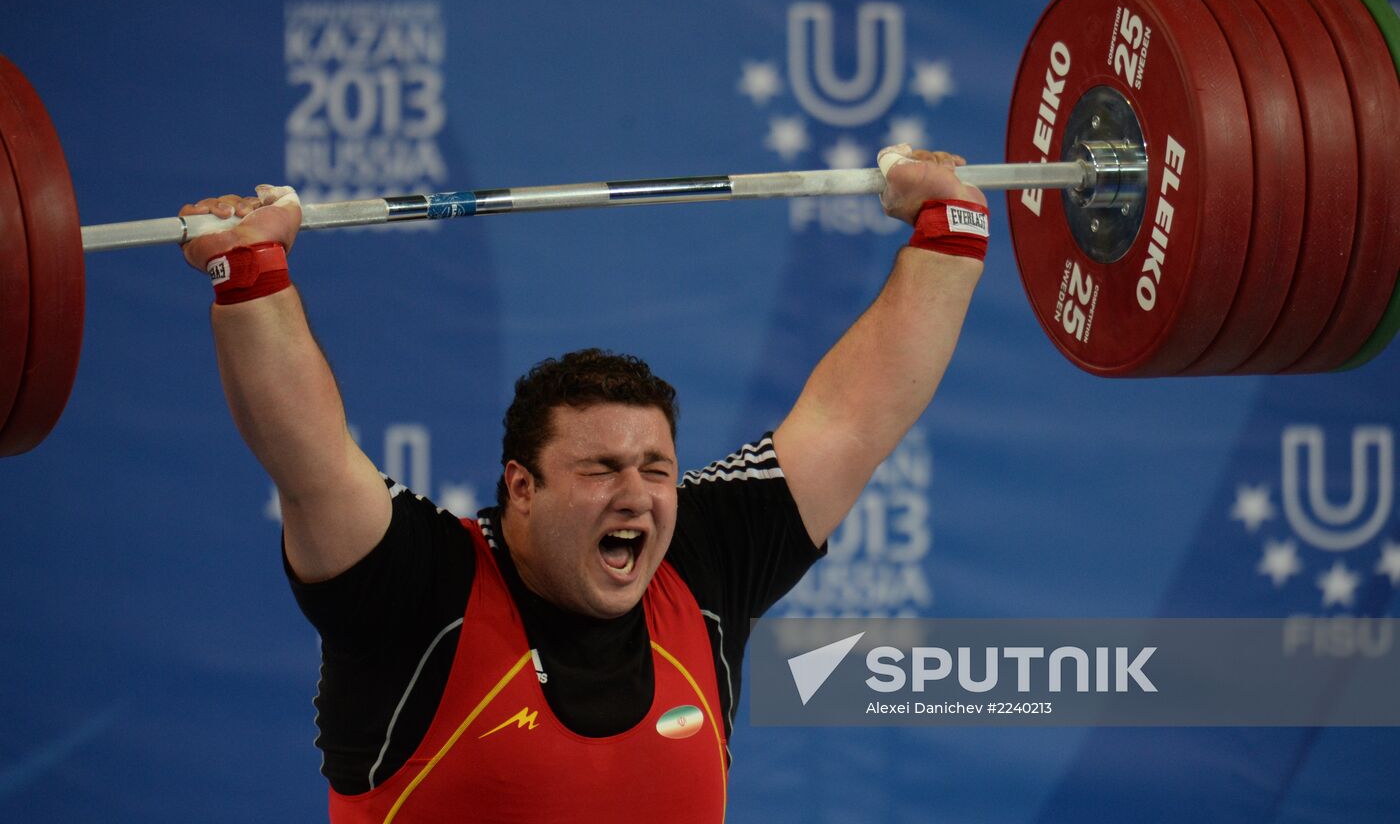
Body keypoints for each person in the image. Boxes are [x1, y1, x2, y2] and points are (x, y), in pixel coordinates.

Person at [180, 145, 988, 822]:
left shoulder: (700, 564)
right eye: (599, 469)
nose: (635, 494)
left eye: (656, 468)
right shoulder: (421, 591)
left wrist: (951, 230)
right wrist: (249, 274)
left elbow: (852, 420)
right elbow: (310, 461)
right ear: (521, 487)